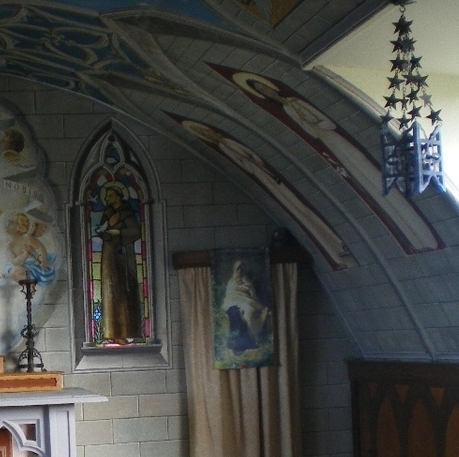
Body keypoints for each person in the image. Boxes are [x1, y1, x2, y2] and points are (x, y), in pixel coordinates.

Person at [232, 70, 442, 253]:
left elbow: (327, 123)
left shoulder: (295, 102)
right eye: (262, 91)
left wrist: (316, 125)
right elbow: (308, 132)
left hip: (336, 140)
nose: (266, 92)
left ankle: (422, 236)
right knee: (366, 185)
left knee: (368, 172)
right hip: (326, 142)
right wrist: (314, 129)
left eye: (265, 87)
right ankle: (413, 237)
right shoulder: (287, 109)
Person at [182, 119, 356, 270]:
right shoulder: (222, 147)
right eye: (204, 134)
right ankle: (334, 250)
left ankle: (338, 247)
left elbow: (252, 159)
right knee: (298, 212)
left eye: (206, 132)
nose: (209, 135)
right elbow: (248, 165)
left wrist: (254, 164)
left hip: (271, 179)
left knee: (303, 211)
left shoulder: (230, 143)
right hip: (263, 179)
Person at [94, 182, 143, 343]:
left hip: (123, 255)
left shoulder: (127, 213)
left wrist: (119, 232)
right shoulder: (108, 213)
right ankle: (111, 332)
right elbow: (101, 231)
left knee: (125, 291)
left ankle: (128, 332)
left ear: (118, 196)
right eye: (106, 196)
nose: (107, 199)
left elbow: (135, 231)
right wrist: (106, 233)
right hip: (109, 255)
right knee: (110, 291)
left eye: (110, 195)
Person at [220, 259, 270, 353]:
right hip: (234, 300)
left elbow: (253, 295)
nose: (240, 271)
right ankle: (242, 341)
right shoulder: (231, 281)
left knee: (249, 310)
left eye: (241, 269)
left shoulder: (246, 280)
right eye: (238, 269)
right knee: (238, 312)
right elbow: (230, 294)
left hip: (246, 300)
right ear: (235, 270)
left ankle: (252, 337)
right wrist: (238, 290)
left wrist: (248, 288)